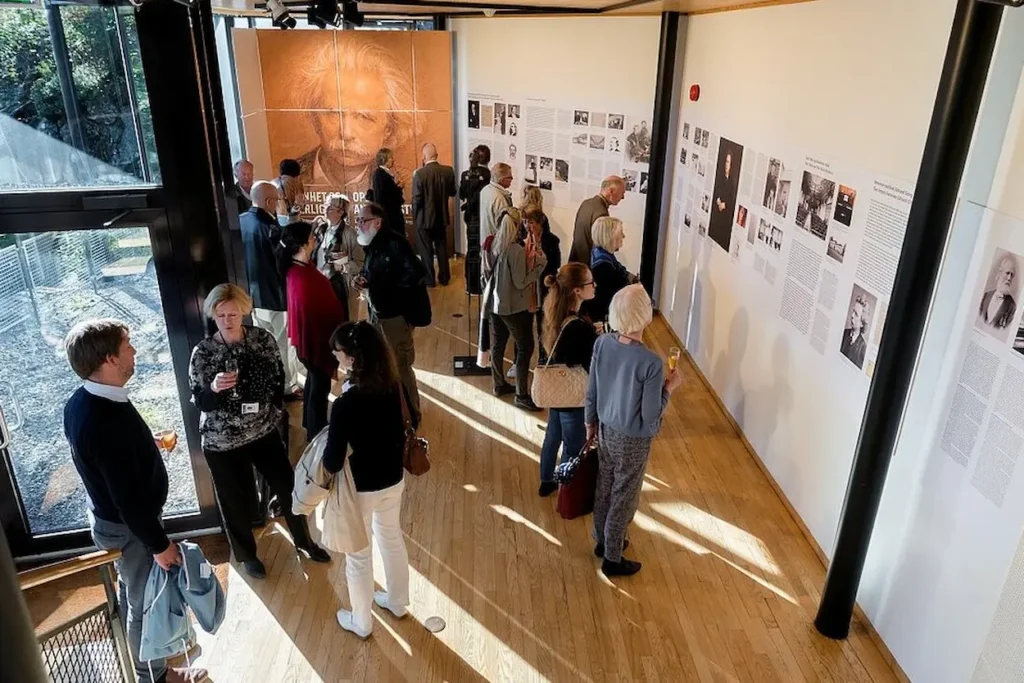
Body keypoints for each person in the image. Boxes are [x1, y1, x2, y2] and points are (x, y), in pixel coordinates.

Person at [63, 319, 207, 683]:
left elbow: (108, 464)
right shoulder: (103, 420)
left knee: (133, 594)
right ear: (110, 358)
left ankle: (152, 663)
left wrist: (146, 446)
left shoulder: (82, 401)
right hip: (130, 530)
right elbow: (126, 497)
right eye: (128, 345)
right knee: (144, 604)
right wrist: (158, 544)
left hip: (117, 524)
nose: (135, 351)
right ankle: (154, 677)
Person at [189, 284, 330, 579]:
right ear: (212, 315)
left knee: (288, 487)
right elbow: (200, 402)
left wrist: (275, 409)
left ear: (244, 312)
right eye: (220, 315)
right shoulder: (203, 353)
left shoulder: (261, 339)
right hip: (222, 441)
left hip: (263, 430)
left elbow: (279, 377)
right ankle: (246, 555)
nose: (227, 320)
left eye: (233, 313)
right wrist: (214, 388)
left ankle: (304, 541)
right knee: (234, 500)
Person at [324, 321, 415, 639]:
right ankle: (398, 602)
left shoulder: (346, 404)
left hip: (360, 489)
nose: (336, 359)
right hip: (393, 479)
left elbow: (332, 461)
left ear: (352, 358)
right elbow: (411, 420)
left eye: (338, 353)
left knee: (358, 556)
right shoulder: (394, 385)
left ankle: (361, 622)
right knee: (391, 538)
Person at [586, 285, 683, 577]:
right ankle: (613, 557)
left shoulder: (602, 343)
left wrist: (590, 424)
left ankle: (603, 541)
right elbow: (651, 414)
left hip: (605, 429)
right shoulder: (651, 363)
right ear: (644, 317)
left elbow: (592, 390)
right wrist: (670, 388)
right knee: (624, 495)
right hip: (633, 440)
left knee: (605, 485)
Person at [297, 41, 419, 197]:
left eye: (363, 117)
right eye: (334, 113)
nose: (346, 133)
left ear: (389, 129)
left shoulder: (404, 186)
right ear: (315, 117)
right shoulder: (289, 178)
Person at [354, 202, 427, 425]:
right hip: (378, 313)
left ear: (377, 222)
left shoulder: (395, 243)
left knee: (401, 366)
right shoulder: (373, 244)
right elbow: (373, 271)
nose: (358, 225)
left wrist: (383, 287)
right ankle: (396, 410)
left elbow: (416, 273)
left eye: (362, 221)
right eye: (357, 220)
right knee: (385, 363)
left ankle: (412, 416)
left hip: (394, 316)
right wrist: (363, 278)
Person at [278, 221, 346, 441]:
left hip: (310, 342)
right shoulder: (301, 277)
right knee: (319, 390)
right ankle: (316, 435)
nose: (315, 240)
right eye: (312, 237)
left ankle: (310, 422)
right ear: (303, 243)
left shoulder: (298, 269)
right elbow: (314, 317)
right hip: (316, 344)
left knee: (313, 385)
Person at [537, 263, 598, 497]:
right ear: (577, 291)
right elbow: (583, 363)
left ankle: (546, 480)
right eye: (590, 283)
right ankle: (567, 492)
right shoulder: (579, 328)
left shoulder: (557, 313)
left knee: (552, 438)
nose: (594, 286)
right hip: (574, 398)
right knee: (573, 447)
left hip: (557, 393)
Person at [240, 180, 302, 395]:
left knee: (262, 344)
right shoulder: (272, 229)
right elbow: (284, 263)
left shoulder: (240, 222)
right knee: (283, 344)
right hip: (276, 297)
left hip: (251, 297)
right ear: (268, 201)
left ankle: (268, 384)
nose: (277, 204)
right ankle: (287, 387)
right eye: (276, 200)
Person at [490, 208, 546, 412]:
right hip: (514, 308)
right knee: (525, 347)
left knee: (498, 345)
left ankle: (498, 384)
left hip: (496, 304)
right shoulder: (515, 250)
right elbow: (521, 282)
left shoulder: (496, 243)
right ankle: (522, 395)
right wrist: (540, 267)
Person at [521, 188, 561, 363]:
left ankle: (544, 360)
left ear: (540, 223)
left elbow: (555, 264)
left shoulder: (551, 241)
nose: (528, 227)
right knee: (523, 330)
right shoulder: (522, 240)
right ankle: (521, 361)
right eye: (526, 223)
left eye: (531, 223)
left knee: (543, 327)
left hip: (543, 289)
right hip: (526, 291)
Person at [314, 193, 364, 323]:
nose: (326, 209)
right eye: (326, 206)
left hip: (340, 288)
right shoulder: (320, 229)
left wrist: (341, 267)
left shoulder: (350, 234)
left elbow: (360, 263)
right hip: (319, 285)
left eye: (331, 207)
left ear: (341, 212)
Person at [412, 142, 457, 287]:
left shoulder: (419, 174)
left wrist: (414, 217)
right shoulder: (448, 171)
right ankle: (444, 278)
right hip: (441, 217)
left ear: (424, 157)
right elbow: (453, 192)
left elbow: (416, 199)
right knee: (442, 248)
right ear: (436, 156)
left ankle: (429, 280)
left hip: (423, 219)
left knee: (426, 252)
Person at [587, 217, 637, 325]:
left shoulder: (602, 253)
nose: (623, 236)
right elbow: (613, 292)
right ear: (610, 237)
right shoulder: (603, 264)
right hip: (606, 315)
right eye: (620, 233)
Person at [459, 145, 492, 295]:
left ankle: (469, 285)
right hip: (482, 217)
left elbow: (461, 195)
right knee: (481, 251)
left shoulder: (466, 174)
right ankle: (477, 285)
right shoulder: (489, 176)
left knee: (471, 250)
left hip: (470, 217)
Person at [570, 176, 625, 263]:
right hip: (587, 265)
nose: (623, 197)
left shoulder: (586, 203)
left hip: (575, 260)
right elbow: (599, 248)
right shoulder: (601, 213)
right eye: (622, 193)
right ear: (611, 191)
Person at [371, 148, 406, 237]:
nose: (393, 160)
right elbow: (386, 195)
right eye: (391, 158)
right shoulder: (380, 174)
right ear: (384, 159)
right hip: (389, 217)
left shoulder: (383, 173)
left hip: (391, 216)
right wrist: (399, 188)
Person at [978, 255, 1018, 332]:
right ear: (1000, 273)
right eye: (1007, 273)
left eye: (1012, 275)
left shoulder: (1013, 307)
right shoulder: (986, 296)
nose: (1009, 278)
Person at [479, 162, 513, 245]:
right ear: (502, 179)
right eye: (510, 177)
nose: (512, 178)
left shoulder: (485, 190)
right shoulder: (500, 198)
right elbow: (504, 226)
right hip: (496, 243)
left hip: (485, 239)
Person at [840, 295, 870, 369]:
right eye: (853, 311)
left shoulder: (863, 348)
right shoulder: (844, 333)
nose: (852, 315)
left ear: (861, 323)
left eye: (856, 314)